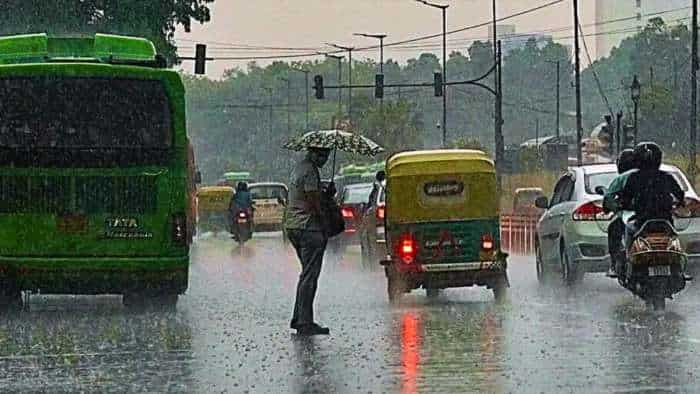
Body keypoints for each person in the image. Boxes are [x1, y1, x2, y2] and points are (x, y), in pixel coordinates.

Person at [284, 147, 332, 336]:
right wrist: (324, 220)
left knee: (307, 274)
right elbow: (314, 201)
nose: (324, 159)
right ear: (313, 153)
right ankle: (304, 321)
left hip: (294, 225)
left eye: (327, 156)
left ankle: (299, 318)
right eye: (322, 155)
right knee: (310, 276)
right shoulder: (310, 171)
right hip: (308, 227)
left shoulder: (299, 169)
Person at [618, 142, 684, 250]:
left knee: (628, 228)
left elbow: (625, 199)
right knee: (674, 237)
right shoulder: (666, 177)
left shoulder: (633, 178)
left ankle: (628, 257)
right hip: (665, 220)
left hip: (642, 221)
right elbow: (679, 194)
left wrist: (623, 205)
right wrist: (679, 203)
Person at [602, 149, 638, 276]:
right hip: (658, 214)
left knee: (614, 228)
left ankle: (614, 264)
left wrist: (615, 207)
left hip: (632, 215)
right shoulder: (657, 174)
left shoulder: (622, 178)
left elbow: (608, 199)